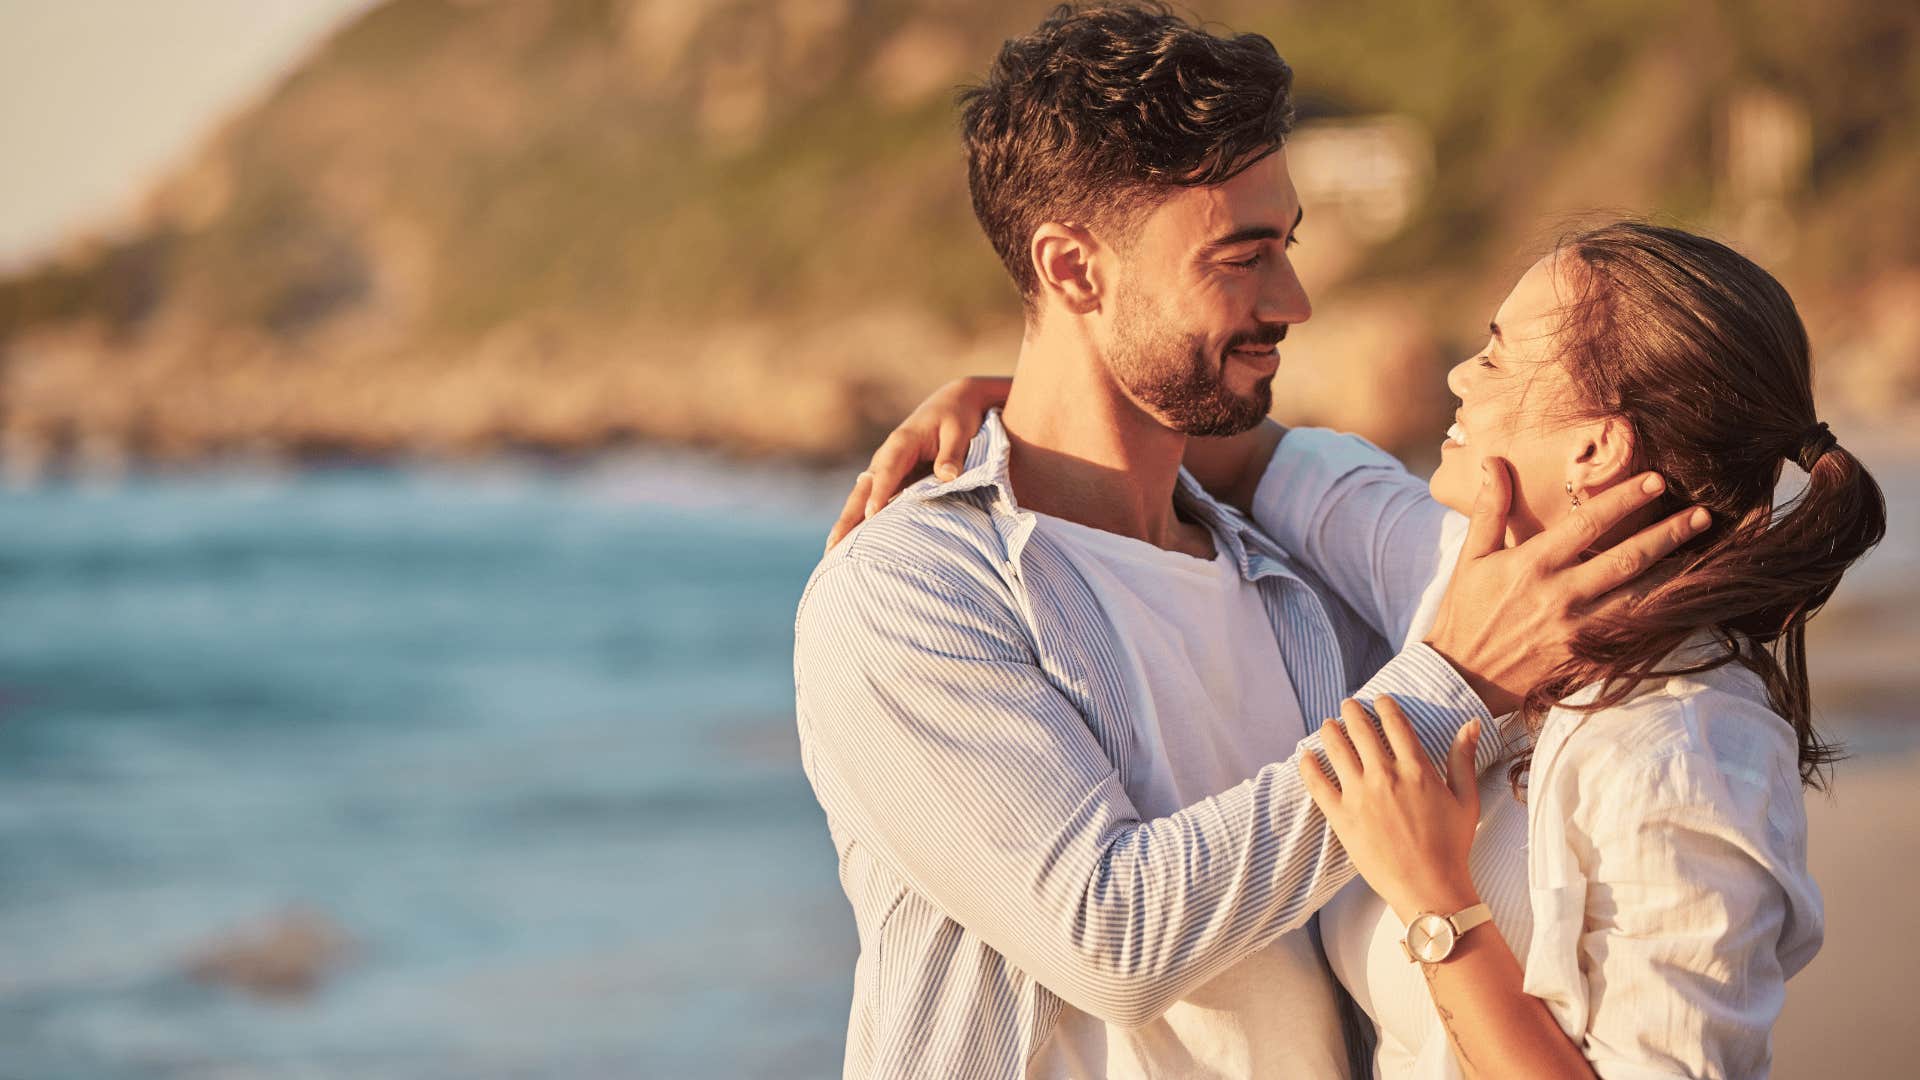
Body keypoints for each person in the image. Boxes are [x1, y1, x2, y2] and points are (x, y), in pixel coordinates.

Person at [794, 4, 1705, 1077]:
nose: (1295, 299)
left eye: (1290, 246)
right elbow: (1109, 935)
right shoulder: (911, 591)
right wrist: (1454, 681)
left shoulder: (1291, 577)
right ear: (1075, 271)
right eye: (1243, 256)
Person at [839, 223, 1887, 1076]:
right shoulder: (1442, 566)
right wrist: (1028, 403)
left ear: (1596, 448)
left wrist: (1441, 907)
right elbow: (1251, 459)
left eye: (1499, 352)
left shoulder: (1688, 749)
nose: (1459, 375)